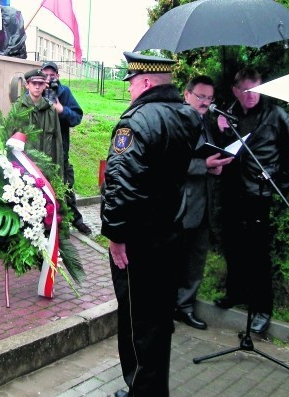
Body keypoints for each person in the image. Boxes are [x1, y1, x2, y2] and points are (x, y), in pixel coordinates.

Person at [101, 52, 202, 397]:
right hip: (170, 234)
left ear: (144, 82)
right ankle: (152, 389)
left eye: (131, 83)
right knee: (158, 322)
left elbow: (120, 182)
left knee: (136, 323)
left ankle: (141, 391)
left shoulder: (137, 121)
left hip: (139, 242)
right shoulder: (187, 116)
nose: (129, 90)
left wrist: (115, 235)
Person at [214, 68, 289, 334]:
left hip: (259, 195)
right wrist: (221, 133)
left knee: (258, 254)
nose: (251, 96)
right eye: (245, 90)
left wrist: (279, 184)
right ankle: (235, 293)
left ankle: (262, 309)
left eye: (255, 89)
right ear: (235, 91)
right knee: (232, 246)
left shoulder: (275, 115)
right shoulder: (227, 114)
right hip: (232, 192)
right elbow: (222, 152)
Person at [174, 76, 233, 330]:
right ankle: (167, 308)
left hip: (204, 203)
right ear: (187, 94)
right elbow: (170, 162)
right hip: (181, 204)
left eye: (210, 98)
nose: (205, 102)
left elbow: (208, 152)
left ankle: (185, 306)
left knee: (196, 259)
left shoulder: (207, 121)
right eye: (200, 96)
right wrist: (203, 166)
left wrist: (216, 165)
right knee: (175, 259)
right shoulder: (176, 122)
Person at [40, 61, 92, 235]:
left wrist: (62, 110)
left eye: (52, 75)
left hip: (60, 150)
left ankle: (76, 220)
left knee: (67, 186)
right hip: (39, 150)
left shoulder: (64, 92)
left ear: (57, 76)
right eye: (44, 75)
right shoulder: (35, 90)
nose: (48, 78)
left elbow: (77, 117)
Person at [16, 68, 63, 176]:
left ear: (44, 85)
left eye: (40, 83)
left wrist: (58, 175)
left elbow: (58, 143)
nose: (37, 86)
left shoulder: (51, 110)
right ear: (27, 85)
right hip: (24, 169)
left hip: (46, 169)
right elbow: (10, 138)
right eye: (34, 83)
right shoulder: (18, 108)